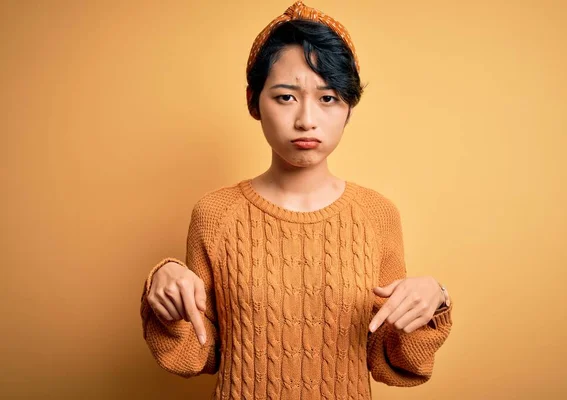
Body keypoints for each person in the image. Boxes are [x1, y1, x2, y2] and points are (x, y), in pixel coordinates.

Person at [140, 1, 453, 399]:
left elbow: (387, 357)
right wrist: (163, 286)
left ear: (348, 109)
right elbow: (200, 354)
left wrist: (434, 300)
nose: (307, 119)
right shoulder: (215, 214)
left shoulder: (378, 216)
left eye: (329, 98)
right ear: (254, 101)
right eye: (286, 97)